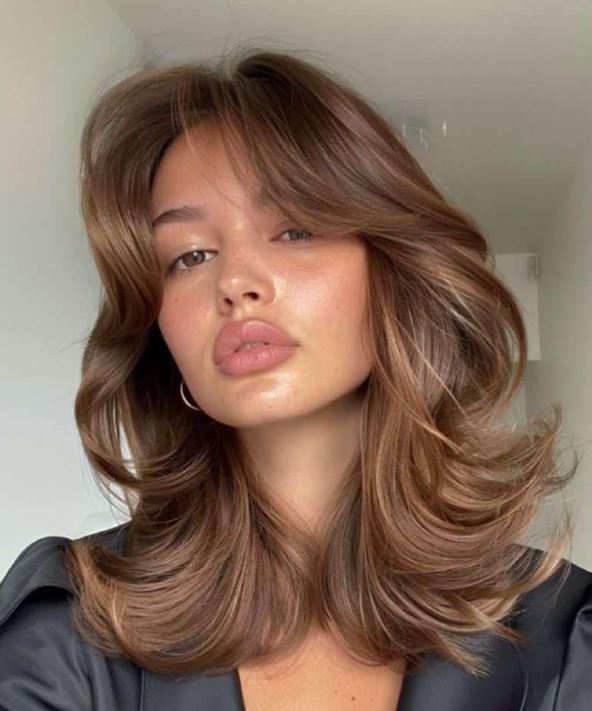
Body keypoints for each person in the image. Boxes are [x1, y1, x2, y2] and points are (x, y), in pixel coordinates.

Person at [0, 46, 590, 711]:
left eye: (294, 230)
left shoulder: (565, 637)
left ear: (392, 272)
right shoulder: (70, 627)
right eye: (190, 255)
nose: (235, 282)